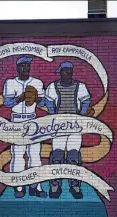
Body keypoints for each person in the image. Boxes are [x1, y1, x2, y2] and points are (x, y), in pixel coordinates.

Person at [45, 61, 95, 199]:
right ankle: (55, 184)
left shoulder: (80, 87)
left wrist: (81, 114)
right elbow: (48, 101)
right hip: (59, 126)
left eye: (68, 71)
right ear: (61, 72)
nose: (66, 73)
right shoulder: (53, 87)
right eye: (64, 71)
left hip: (74, 126)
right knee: (57, 156)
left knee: (73, 156)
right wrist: (52, 113)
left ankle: (75, 184)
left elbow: (86, 101)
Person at [3, 55, 47, 198]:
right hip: (16, 120)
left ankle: (36, 186)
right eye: (23, 66)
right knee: (17, 155)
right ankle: (19, 187)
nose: (26, 68)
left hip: (32, 120)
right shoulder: (10, 83)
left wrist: (37, 98)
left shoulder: (37, 83)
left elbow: (43, 103)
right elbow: (7, 103)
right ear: (17, 68)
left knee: (35, 156)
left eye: (28, 66)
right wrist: (22, 96)